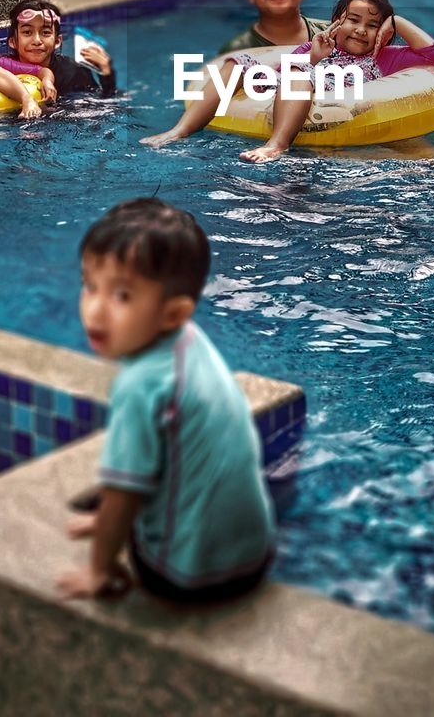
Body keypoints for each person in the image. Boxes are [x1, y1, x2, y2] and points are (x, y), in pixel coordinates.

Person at [57, 198, 275, 604]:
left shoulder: (141, 383)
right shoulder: (190, 343)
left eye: (122, 296)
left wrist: (98, 570)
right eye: (90, 285)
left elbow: (124, 493)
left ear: (173, 313)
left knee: (120, 477)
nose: (95, 311)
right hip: (254, 556)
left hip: (185, 577)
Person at [141, 0, 434, 162]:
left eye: (374, 25)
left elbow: (432, 55)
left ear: (384, 33)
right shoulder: (314, 47)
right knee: (238, 64)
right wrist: (313, 58)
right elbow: (278, 76)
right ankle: (179, 131)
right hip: (288, 94)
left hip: (335, 106)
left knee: (299, 73)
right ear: (336, 21)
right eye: (353, 20)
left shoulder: (385, 58)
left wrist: (398, 21)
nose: (362, 30)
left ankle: (277, 144)